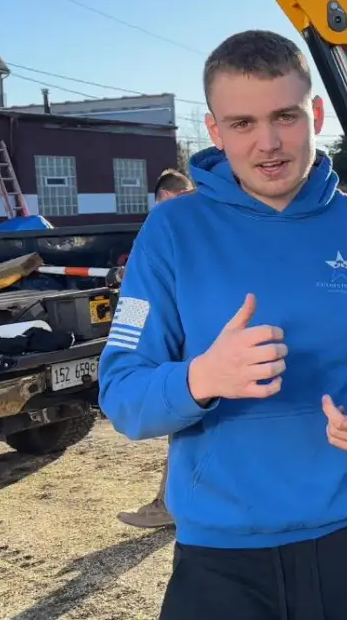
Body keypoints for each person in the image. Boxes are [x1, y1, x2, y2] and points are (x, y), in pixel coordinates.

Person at [98, 28, 347, 620]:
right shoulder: (173, 231)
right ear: (214, 130)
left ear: (314, 113)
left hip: (344, 542)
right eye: (241, 124)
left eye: (284, 116)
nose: (268, 143)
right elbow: (122, 394)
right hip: (218, 552)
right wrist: (201, 378)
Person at [115, 168, 195, 529]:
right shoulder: (196, 227)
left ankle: (168, 504)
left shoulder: (171, 226)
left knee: (186, 424)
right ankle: (168, 502)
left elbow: (135, 313)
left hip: (182, 350)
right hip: (185, 347)